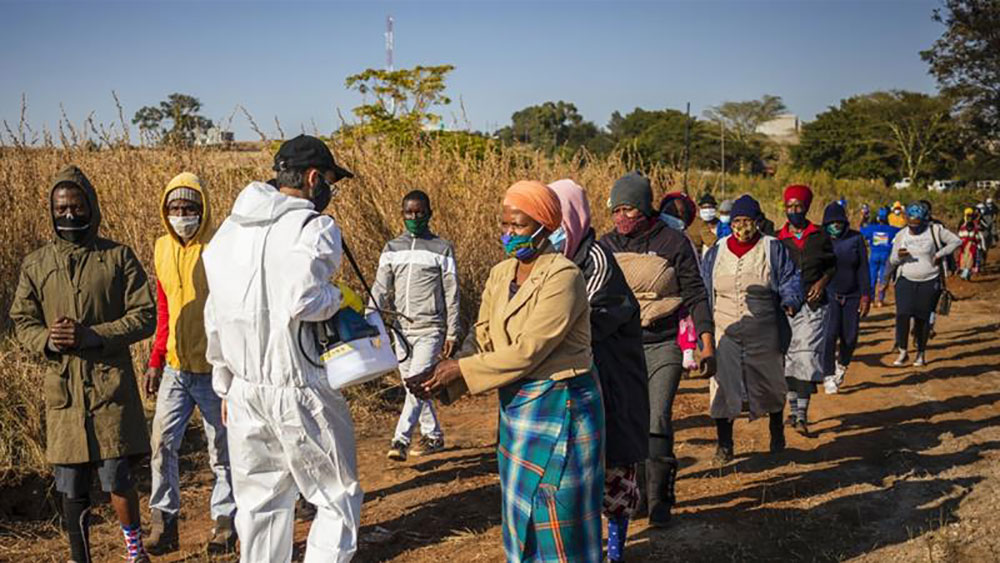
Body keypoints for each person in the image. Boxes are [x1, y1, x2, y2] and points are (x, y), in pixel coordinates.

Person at [415, 180, 604, 562]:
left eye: (518, 225)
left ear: (545, 226)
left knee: (558, 511)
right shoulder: (501, 273)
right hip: (518, 407)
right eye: (504, 224)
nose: (508, 233)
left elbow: (528, 351)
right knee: (522, 512)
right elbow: (483, 334)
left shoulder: (564, 276)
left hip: (561, 406)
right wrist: (439, 378)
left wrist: (460, 370)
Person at [202, 135, 362, 563]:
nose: (329, 191)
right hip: (298, 386)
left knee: (260, 506)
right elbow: (305, 299)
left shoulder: (228, 232)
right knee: (336, 496)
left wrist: (225, 385)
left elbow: (214, 315)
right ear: (313, 178)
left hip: (244, 391)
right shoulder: (314, 227)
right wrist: (340, 296)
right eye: (329, 181)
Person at [10, 165, 156, 563]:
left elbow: (145, 315)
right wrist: (47, 339)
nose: (69, 215)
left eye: (76, 206)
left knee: (118, 477)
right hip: (64, 392)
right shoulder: (37, 264)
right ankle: (81, 557)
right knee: (71, 485)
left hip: (110, 389)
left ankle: (134, 551)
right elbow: (22, 320)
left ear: (91, 206)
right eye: (61, 209)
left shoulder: (117, 257)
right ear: (51, 211)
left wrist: (95, 335)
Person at [600, 171, 716, 527]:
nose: (621, 217)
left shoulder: (672, 242)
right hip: (620, 349)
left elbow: (694, 293)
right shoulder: (606, 246)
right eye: (616, 210)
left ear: (645, 207)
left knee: (657, 418)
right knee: (627, 421)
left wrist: (707, 343)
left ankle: (661, 499)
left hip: (663, 343)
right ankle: (637, 496)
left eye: (629, 209)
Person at [548, 179, 649, 563]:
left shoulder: (596, 262)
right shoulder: (553, 262)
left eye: (556, 221)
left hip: (612, 383)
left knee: (614, 477)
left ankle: (616, 552)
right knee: (575, 476)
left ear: (573, 219)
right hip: (575, 384)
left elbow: (575, 325)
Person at [143, 173, 237, 555]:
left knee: (222, 450)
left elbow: (232, 308)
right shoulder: (161, 248)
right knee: (162, 443)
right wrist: (155, 358)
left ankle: (225, 523)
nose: (182, 215)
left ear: (203, 209)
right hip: (176, 367)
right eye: (175, 208)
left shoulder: (220, 247)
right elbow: (165, 308)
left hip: (214, 369)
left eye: (190, 208)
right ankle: (163, 522)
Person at [701, 195, 802, 463]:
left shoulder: (772, 248)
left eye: (747, 220)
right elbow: (704, 285)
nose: (741, 226)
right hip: (725, 329)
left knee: (771, 382)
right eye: (737, 221)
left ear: (757, 221)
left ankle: (776, 431)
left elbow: (790, 279)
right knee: (722, 385)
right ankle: (724, 444)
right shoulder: (717, 250)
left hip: (764, 329)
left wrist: (790, 301)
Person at [372, 189, 460, 462]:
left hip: (430, 328)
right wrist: (370, 320)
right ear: (402, 214)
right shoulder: (392, 248)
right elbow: (380, 288)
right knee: (415, 386)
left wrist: (452, 331)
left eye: (419, 212)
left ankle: (400, 439)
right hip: (401, 331)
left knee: (418, 383)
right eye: (409, 213)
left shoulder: (442, 248)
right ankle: (433, 435)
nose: (414, 217)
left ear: (429, 214)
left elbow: (452, 293)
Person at [777, 184, 835, 435]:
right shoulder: (777, 239)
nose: (793, 211)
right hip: (786, 307)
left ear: (807, 207)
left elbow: (832, 266)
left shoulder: (819, 236)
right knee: (789, 359)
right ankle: (793, 411)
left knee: (806, 357)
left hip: (813, 305)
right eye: (789, 206)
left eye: (798, 206)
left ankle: (802, 415)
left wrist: (822, 283)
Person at [888, 202, 961, 367]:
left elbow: (956, 241)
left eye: (917, 223)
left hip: (929, 280)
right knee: (902, 315)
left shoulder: (935, 230)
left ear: (924, 220)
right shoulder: (901, 235)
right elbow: (892, 260)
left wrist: (940, 254)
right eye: (911, 223)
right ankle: (903, 351)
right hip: (905, 279)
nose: (913, 227)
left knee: (922, 318)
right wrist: (899, 256)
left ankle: (920, 353)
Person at [820, 202, 871, 394]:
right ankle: (828, 375)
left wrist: (865, 295)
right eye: (831, 222)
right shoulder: (821, 239)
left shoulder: (855, 239)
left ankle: (842, 365)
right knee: (829, 335)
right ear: (825, 223)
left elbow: (863, 268)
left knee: (850, 337)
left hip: (852, 295)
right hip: (829, 294)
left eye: (839, 222)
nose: (836, 225)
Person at [860, 207, 900, 308]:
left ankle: (871, 300)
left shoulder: (871, 228)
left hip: (874, 254)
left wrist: (863, 219)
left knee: (872, 277)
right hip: (886, 255)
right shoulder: (892, 229)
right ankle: (880, 300)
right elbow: (902, 231)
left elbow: (862, 230)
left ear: (878, 218)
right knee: (883, 278)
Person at [957, 207, 985, 281]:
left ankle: (966, 273)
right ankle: (964, 272)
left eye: (970, 215)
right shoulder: (963, 223)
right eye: (968, 215)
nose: (969, 216)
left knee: (971, 260)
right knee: (964, 260)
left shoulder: (974, 223)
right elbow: (959, 234)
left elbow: (979, 236)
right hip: (965, 246)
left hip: (971, 246)